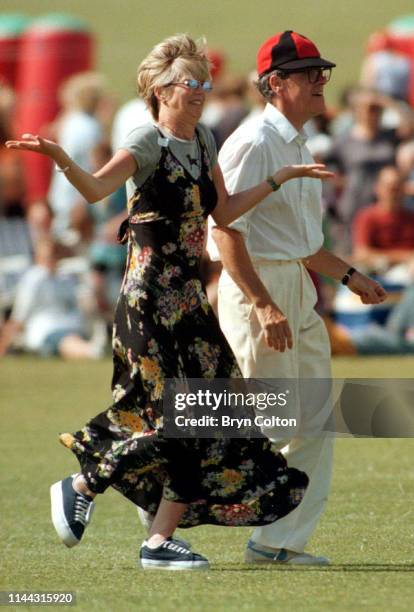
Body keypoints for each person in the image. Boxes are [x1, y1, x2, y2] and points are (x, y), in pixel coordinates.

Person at [6, 34, 334, 571]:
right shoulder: (145, 141)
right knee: (165, 415)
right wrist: (58, 156)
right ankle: (100, 492)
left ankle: (152, 536)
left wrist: (281, 177)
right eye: (191, 83)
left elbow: (223, 214)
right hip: (148, 298)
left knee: (213, 413)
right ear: (161, 89)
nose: (202, 91)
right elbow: (94, 190)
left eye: (205, 82)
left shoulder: (203, 140)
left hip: (188, 300)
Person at [210, 30, 387, 566]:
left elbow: (302, 245)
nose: (320, 82)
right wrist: (264, 304)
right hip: (257, 292)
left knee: (311, 419)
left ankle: (275, 544)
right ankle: (122, 475)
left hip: (296, 291)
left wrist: (350, 275)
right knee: (259, 422)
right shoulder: (255, 142)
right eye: (309, 73)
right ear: (274, 84)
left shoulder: (298, 143)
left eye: (322, 72)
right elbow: (224, 229)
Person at [0, 236, 105, 359]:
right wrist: (3, 346)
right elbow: (19, 316)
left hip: (71, 327)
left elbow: (78, 305)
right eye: (47, 256)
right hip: (45, 331)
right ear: (38, 257)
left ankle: (90, 349)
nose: (51, 260)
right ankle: (92, 351)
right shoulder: (33, 279)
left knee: (71, 339)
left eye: (53, 255)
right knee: (67, 341)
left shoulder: (66, 278)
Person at [353, 166, 414, 275]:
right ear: (378, 188)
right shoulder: (367, 216)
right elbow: (362, 254)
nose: (394, 192)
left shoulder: (410, 218)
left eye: (398, 188)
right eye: (390, 187)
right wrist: (404, 257)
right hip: (377, 274)